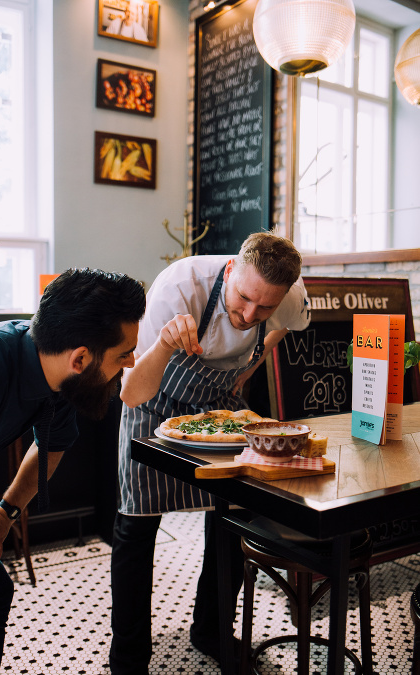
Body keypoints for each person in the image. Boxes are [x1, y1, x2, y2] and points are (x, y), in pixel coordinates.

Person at [110, 232, 311, 675]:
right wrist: (164, 344)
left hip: (222, 412)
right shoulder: (178, 288)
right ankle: (128, 660)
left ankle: (212, 631)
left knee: (230, 522)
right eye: (243, 299)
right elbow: (129, 393)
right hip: (154, 406)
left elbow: (282, 329)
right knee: (135, 530)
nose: (249, 315)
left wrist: (250, 367)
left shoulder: (290, 298)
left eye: (265, 307)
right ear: (228, 271)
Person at [0, 267, 145, 675]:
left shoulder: (63, 379)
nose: (132, 361)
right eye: (124, 354)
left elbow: (52, 447)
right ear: (81, 357)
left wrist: (4, 512)